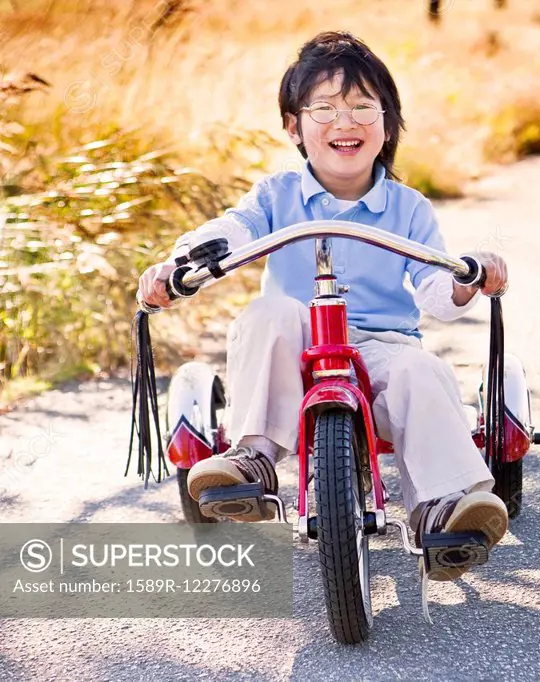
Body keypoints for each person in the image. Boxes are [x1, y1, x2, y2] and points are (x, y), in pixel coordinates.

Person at [137, 31, 509, 580]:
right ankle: (254, 456)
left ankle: (444, 505)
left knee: (420, 369)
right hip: (297, 348)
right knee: (268, 314)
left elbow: (436, 290)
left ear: (387, 125)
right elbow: (232, 230)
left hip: (379, 349)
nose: (346, 122)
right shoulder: (276, 197)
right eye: (325, 108)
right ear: (294, 126)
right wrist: (184, 263)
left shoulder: (407, 207)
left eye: (363, 107)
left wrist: (467, 276)